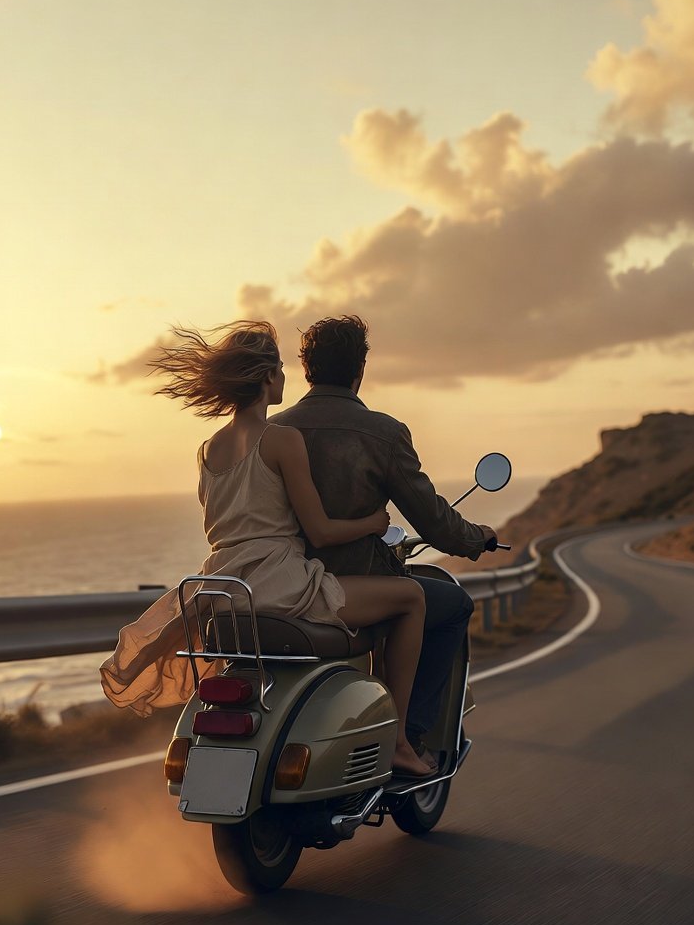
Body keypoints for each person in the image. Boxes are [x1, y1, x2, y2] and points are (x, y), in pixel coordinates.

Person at [100, 320, 435, 777]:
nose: (284, 376)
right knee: (411, 598)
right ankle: (396, 741)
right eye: (279, 368)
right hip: (279, 582)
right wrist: (374, 522)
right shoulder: (281, 440)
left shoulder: (208, 449)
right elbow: (320, 532)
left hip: (221, 586)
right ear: (264, 378)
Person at [272, 315, 497, 758]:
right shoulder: (383, 433)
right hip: (352, 584)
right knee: (452, 606)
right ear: (360, 369)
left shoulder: (272, 431)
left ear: (305, 368)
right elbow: (433, 520)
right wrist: (477, 539)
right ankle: (407, 736)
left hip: (285, 583)